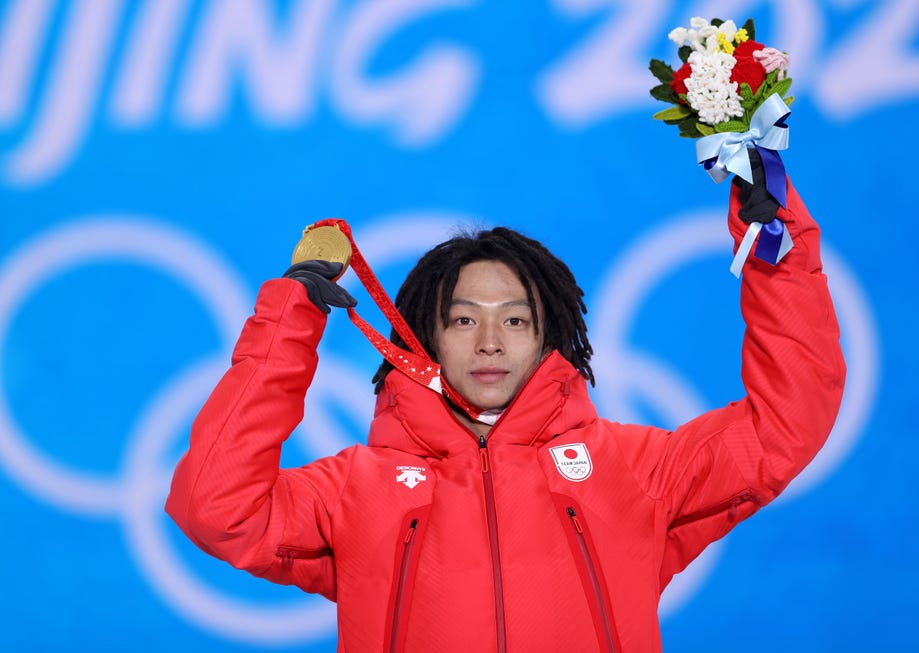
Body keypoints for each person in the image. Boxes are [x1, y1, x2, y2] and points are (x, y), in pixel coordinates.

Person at [166, 155, 845, 652]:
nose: (489, 341)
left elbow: (785, 422)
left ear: (551, 334)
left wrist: (775, 251)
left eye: (515, 320)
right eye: (462, 320)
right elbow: (215, 505)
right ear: (423, 335)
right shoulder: (356, 488)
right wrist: (291, 321)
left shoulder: (635, 469)